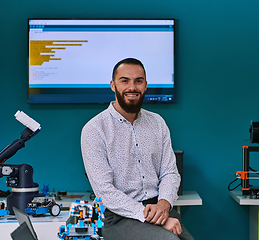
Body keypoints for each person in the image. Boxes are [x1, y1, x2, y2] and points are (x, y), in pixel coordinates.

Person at [81, 58, 194, 240]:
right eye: (124, 81)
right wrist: (154, 218)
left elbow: (170, 174)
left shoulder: (158, 123)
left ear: (145, 85)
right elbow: (105, 192)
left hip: (158, 208)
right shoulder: (95, 129)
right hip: (119, 217)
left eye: (138, 81)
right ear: (113, 85)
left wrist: (163, 206)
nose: (132, 87)